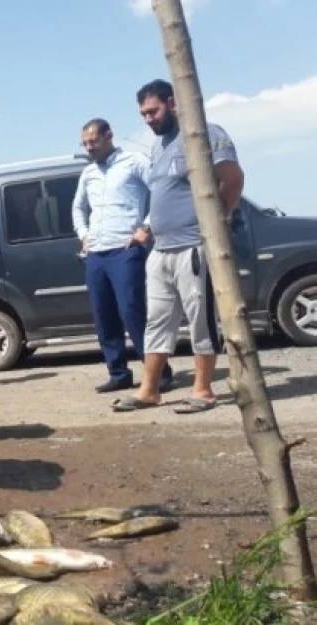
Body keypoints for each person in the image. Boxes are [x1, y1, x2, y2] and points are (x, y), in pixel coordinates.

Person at [112, 79, 245, 414]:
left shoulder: (204, 134)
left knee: (200, 319)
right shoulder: (158, 148)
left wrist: (218, 222)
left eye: (153, 111)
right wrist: (146, 227)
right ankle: (149, 390)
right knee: (157, 321)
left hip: (193, 248)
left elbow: (232, 178)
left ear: (172, 103)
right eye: (143, 114)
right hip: (161, 251)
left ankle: (203, 390)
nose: (148, 119)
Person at [72, 118, 174, 394]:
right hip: (96, 252)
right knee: (103, 314)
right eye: (85, 143)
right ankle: (118, 373)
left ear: (109, 136)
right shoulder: (88, 173)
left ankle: (159, 372)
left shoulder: (134, 162)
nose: (89, 147)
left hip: (125, 249)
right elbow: (78, 208)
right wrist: (83, 233)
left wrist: (147, 226)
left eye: (94, 141)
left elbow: (162, 193)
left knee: (132, 311)